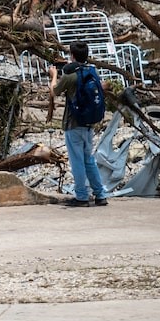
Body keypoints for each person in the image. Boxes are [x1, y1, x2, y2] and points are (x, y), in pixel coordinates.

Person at [49, 42, 109, 207]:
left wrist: (54, 75)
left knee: (77, 162)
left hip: (73, 124)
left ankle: (81, 197)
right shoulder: (92, 71)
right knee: (89, 160)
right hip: (89, 123)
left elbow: (54, 91)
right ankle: (100, 195)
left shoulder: (70, 75)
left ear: (72, 55)